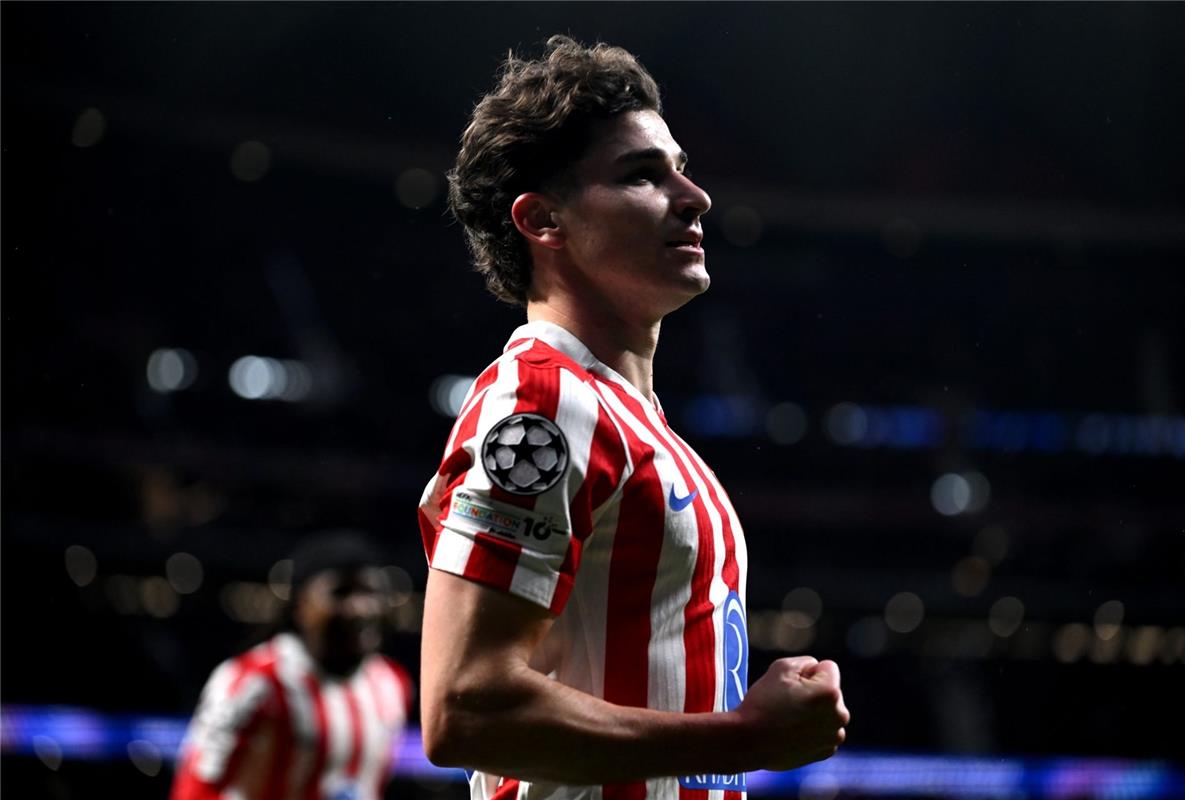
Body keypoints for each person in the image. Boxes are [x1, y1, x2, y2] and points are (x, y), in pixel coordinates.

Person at [417, 35, 849, 800]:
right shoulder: (542, 401)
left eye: (680, 167)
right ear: (543, 220)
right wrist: (747, 737)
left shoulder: (633, 420)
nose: (694, 196)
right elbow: (463, 708)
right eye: (642, 175)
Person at [170, 531, 413, 800]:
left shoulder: (393, 683)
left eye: (371, 593)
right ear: (300, 604)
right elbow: (198, 786)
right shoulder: (253, 681)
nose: (361, 608)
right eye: (341, 592)